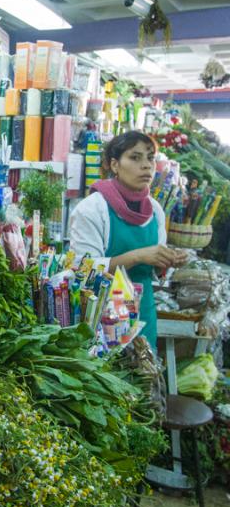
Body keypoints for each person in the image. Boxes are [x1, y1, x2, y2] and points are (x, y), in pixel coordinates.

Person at [69, 130, 187, 348]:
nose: (146, 165)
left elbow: (154, 269)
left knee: (143, 376)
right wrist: (138, 256)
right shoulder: (93, 209)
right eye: (135, 157)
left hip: (144, 315)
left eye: (150, 158)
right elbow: (84, 271)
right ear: (115, 165)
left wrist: (168, 260)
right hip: (102, 317)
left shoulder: (155, 210)